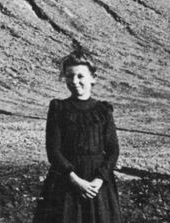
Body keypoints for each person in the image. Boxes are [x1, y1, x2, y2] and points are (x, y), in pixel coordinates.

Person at [33, 49, 121, 223]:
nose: (74, 81)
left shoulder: (103, 110)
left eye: (80, 76)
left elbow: (113, 149)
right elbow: (53, 151)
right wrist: (75, 181)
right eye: (69, 76)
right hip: (66, 183)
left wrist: (99, 179)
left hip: (98, 185)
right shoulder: (59, 108)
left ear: (93, 78)